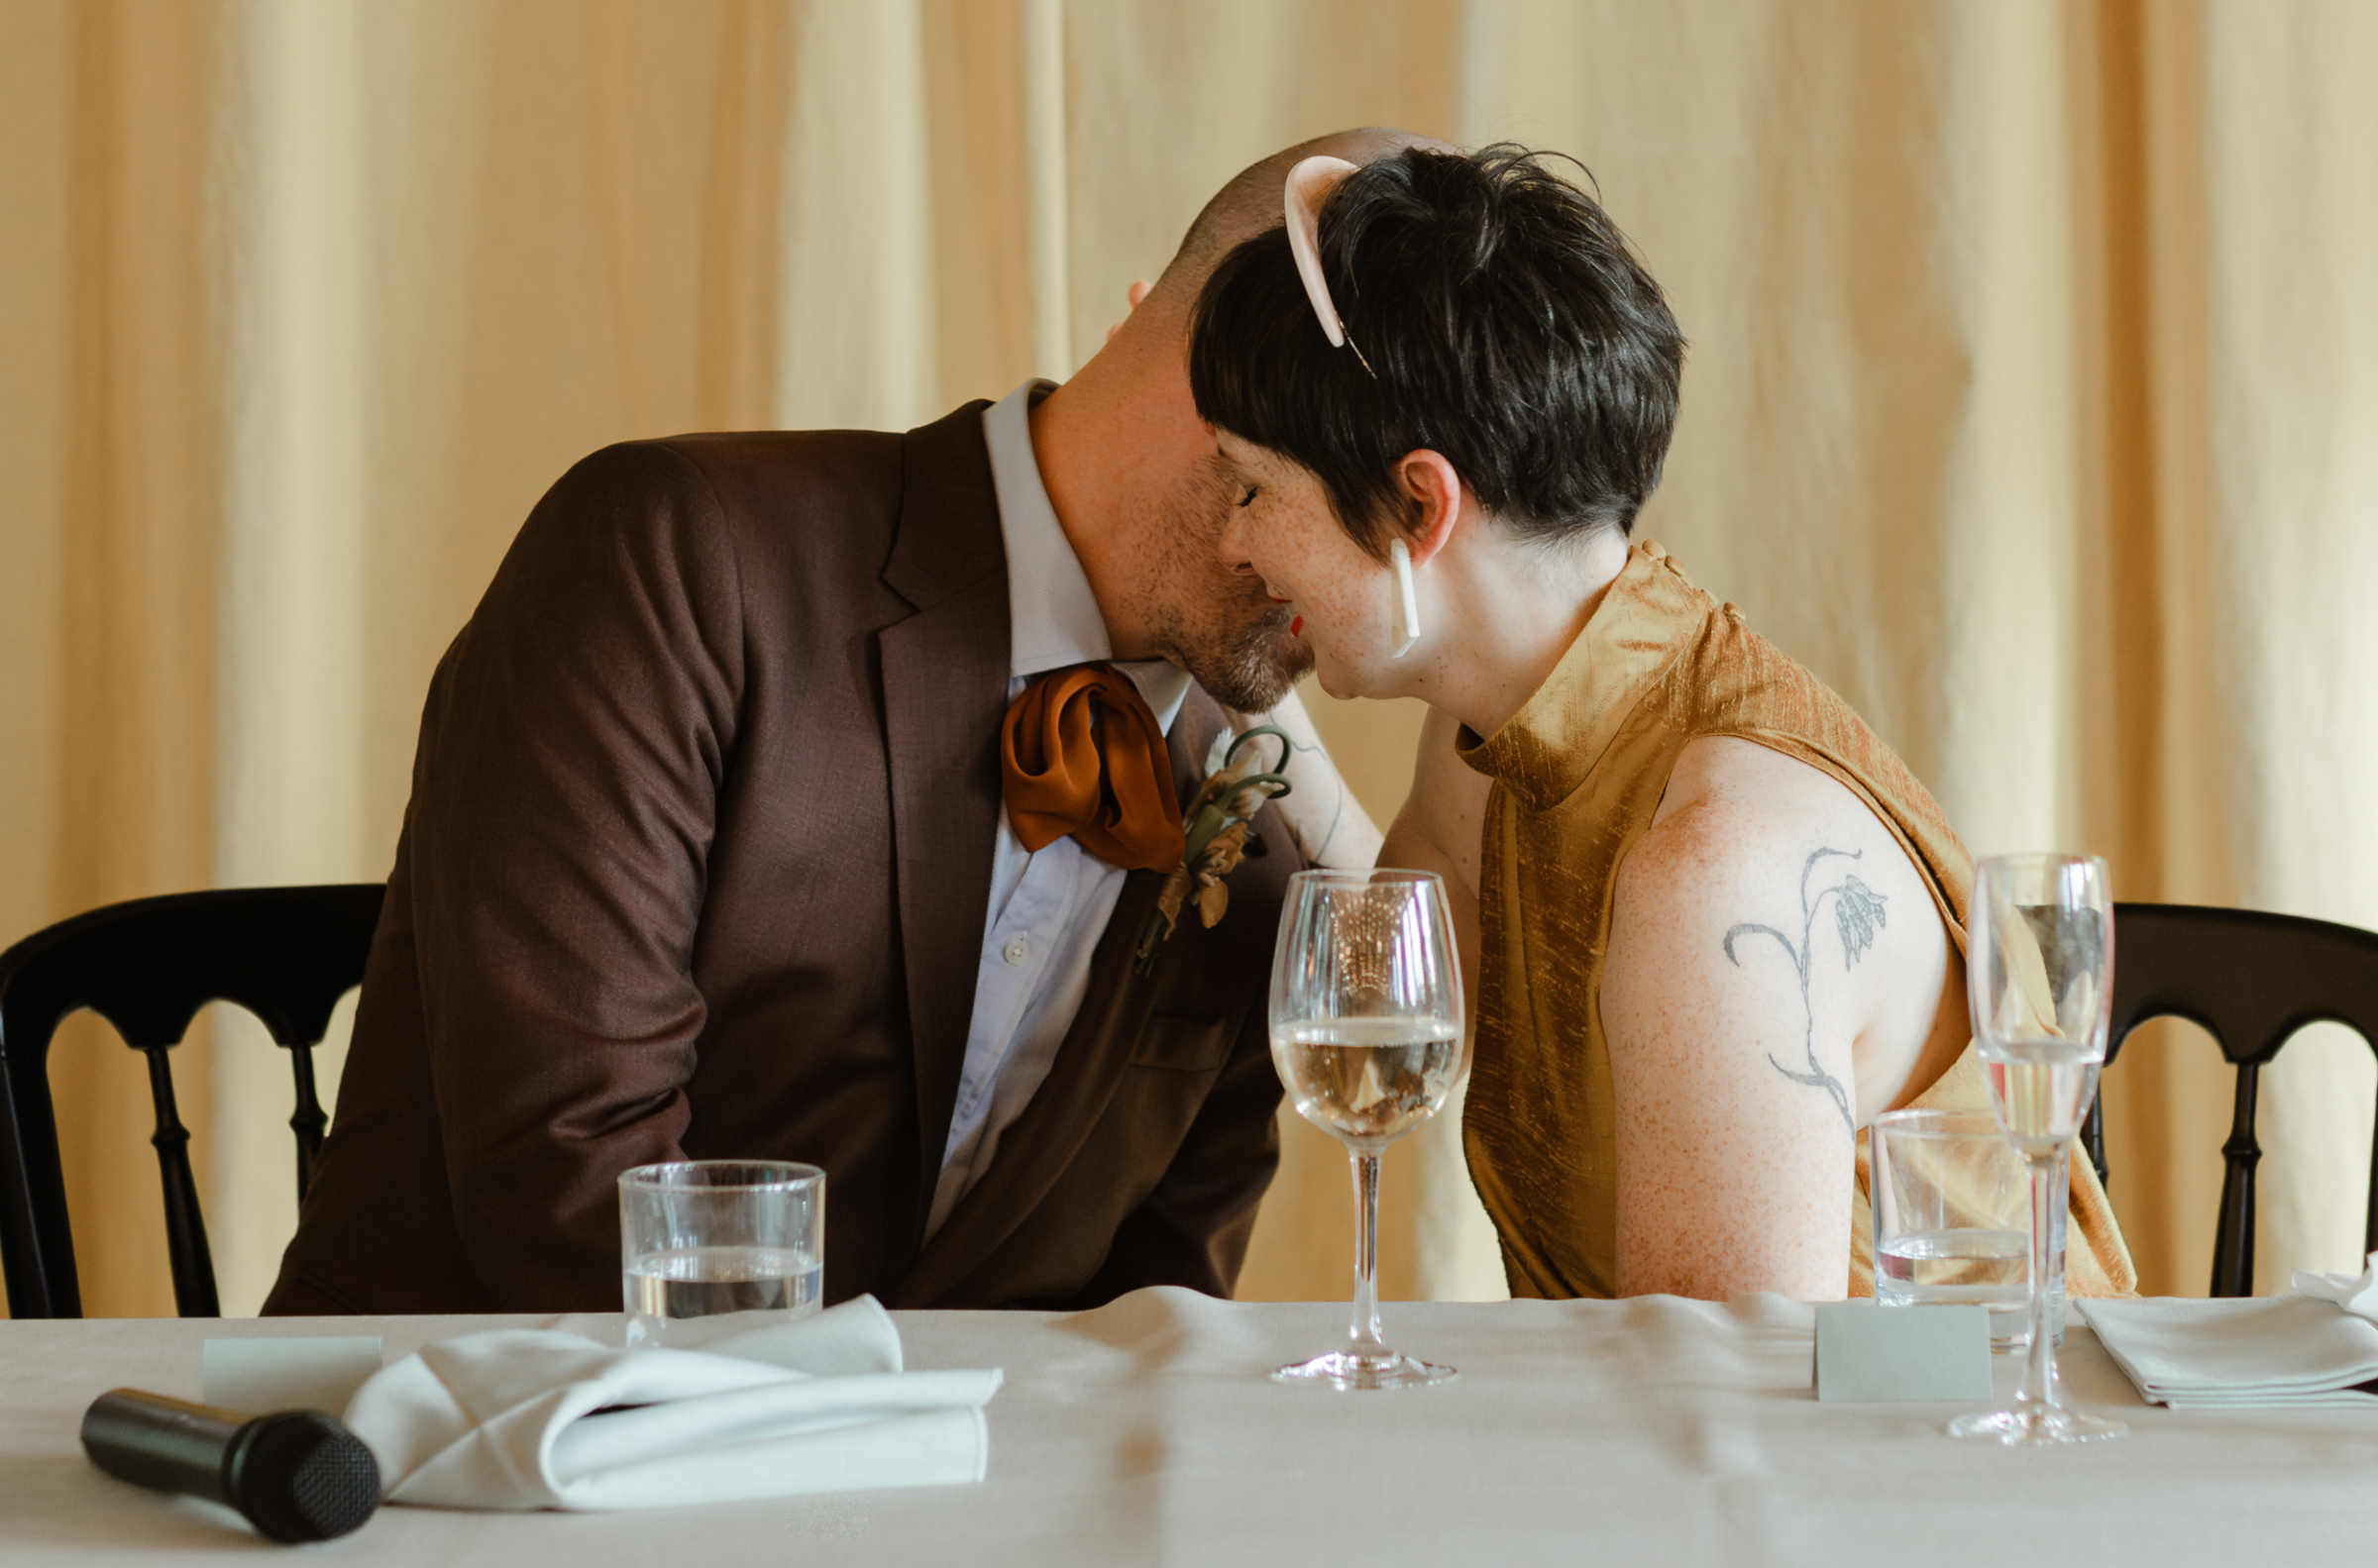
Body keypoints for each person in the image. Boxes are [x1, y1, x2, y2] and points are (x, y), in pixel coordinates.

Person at [262, 131, 1422, 1317]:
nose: (1391, 588)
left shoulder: (1262, 833)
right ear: (1229, 374)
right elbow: (569, 1197)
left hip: (956, 1496)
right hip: (459, 1471)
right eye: (1377, 493)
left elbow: (1157, 1317)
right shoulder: (673, 561)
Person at [1190, 144, 2136, 1303]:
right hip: (1645, 1437)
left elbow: (1727, 1422)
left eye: (1251, 488)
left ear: (1422, 505)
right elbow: (1385, 981)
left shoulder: (1714, 871)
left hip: (1912, 1469)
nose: (1232, 541)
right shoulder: (1491, 726)